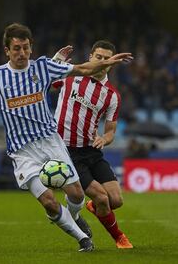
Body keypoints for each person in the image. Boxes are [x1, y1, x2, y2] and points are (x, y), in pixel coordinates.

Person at [0, 23, 133, 252]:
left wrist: (107, 62)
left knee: (76, 194)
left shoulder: (43, 67)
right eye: (16, 48)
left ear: (31, 48)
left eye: (25, 48)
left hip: (50, 141)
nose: (21, 53)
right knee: (48, 201)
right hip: (21, 150)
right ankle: (83, 239)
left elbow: (83, 69)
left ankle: (74, 216)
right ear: (7, 50)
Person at [52, 40, 133, 249]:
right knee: (102, 198)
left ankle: (93, 206)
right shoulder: (72, 76)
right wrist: (57, 60)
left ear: (112, 63)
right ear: (90, 57)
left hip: (92, 151)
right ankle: (119, 237)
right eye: (99, 57)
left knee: (116, 201)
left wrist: (103, 139)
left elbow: (111, 131)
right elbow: (44, 79)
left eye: (107, 59)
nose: (102, 61)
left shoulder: (112, 95)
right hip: (68, 151)